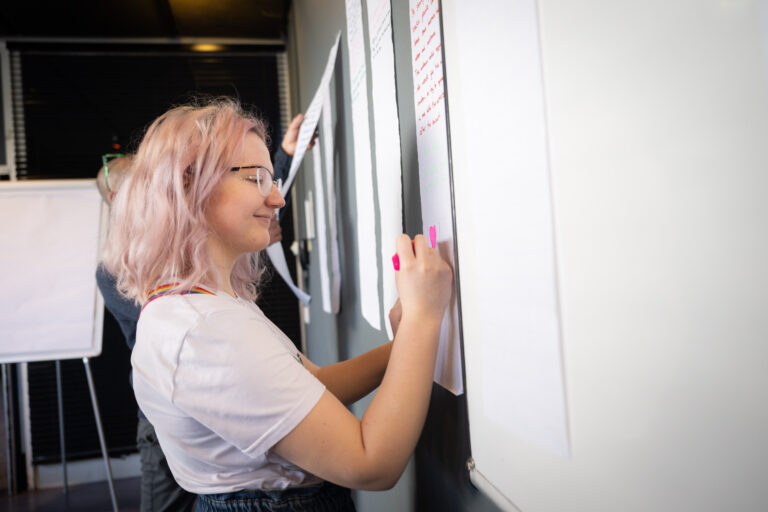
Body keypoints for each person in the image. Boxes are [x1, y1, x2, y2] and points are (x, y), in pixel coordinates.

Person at [101, 98, 452, 511]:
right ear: (189, 185)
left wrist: (407, 342)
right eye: (257, 179)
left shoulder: (207, 303)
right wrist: (425, 319)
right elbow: (371, 464)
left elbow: (316, 386)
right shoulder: (202, 331)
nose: (278, 199)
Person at [95, 112, 311, 512]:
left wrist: (280, 161)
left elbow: (240, 199)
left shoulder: (204, 288)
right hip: (170, 407)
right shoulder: (141, 283)